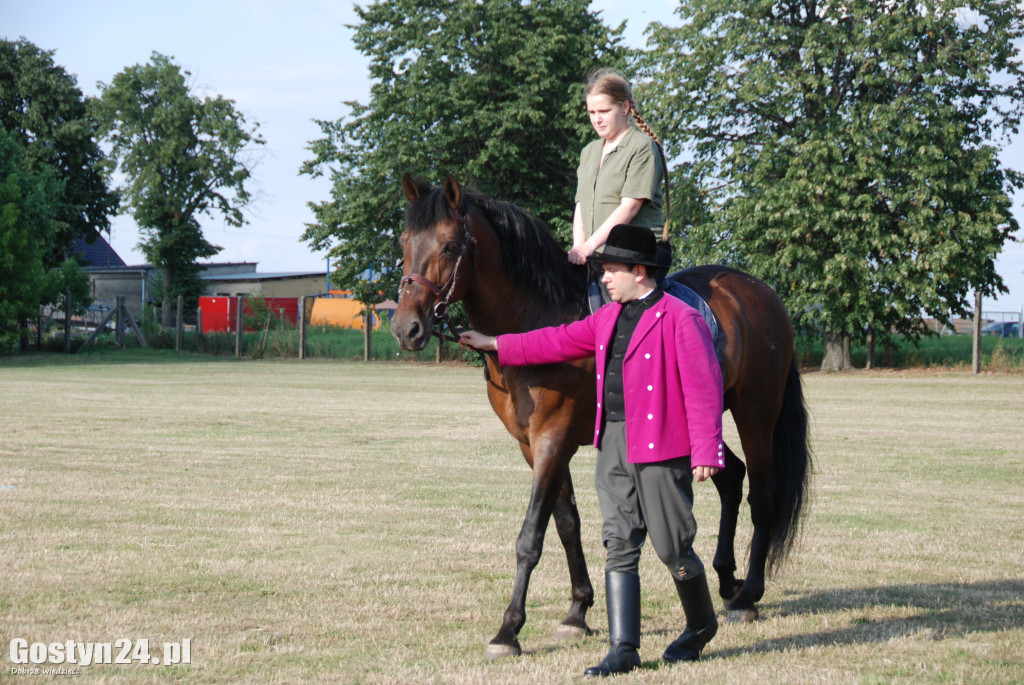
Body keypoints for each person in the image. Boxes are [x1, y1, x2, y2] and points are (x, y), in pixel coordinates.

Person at [460, 225, 725, 677]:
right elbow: (555, 339)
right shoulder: (605, 319)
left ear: (639, 272)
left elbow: (705, 388)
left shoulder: (682, 319)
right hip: (615, 442)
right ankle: (624, 647)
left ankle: (700, 625)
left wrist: (705, 450)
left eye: (612, 270)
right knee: (618, 542)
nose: (604, 277)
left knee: (672, 546)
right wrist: (496, 343)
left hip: (662, 444)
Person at [568, 69, 667, 267]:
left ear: (624, 108)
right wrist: (578, 247)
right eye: (592, 112)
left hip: (638, 253)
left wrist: (589, 246)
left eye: (604, 111)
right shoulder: (588, 152)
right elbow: (581, 206)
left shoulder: (642, 147)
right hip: (596, 254)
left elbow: (629, 207)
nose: (597, 119)